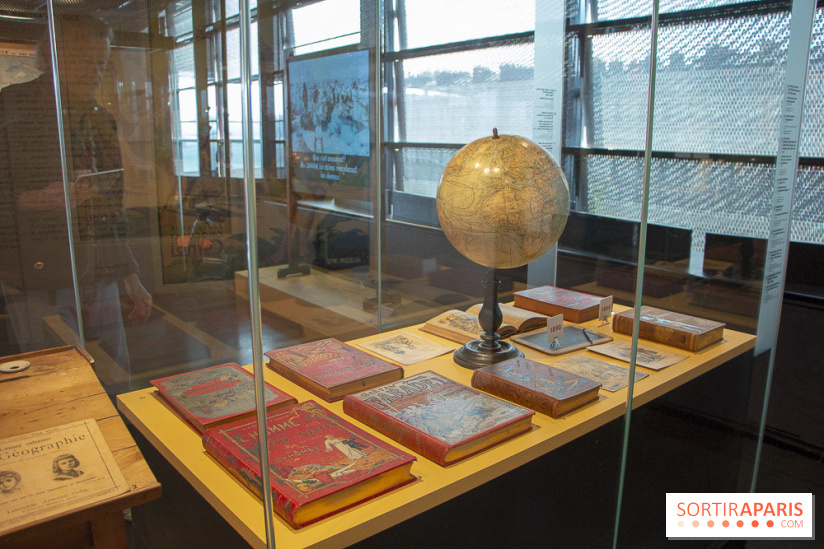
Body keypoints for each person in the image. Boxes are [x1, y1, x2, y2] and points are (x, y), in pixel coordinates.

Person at [0, 11, 151, 377]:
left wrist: (130, 277)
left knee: (116, 376)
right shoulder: (10, 106)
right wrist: (34, 200)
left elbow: (111, 206)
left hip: (99, 270)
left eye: (101, 63)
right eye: (85, 61)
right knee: (56, 379)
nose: (94, 72)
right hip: (37, 276)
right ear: (52, 57)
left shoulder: (99, 116)